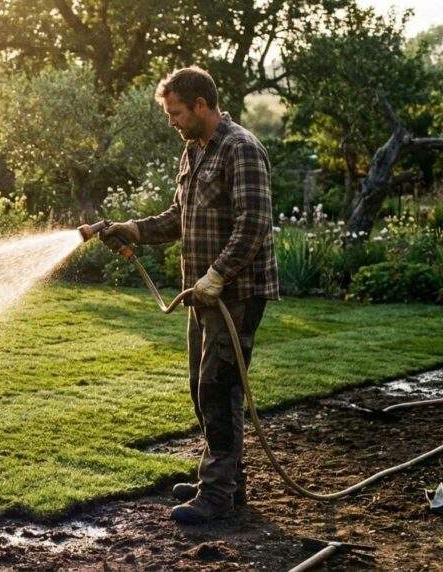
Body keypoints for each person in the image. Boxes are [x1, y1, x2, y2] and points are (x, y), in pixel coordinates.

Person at [100, 66, 279, 524]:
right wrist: (133, 229)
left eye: (176, 112)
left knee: (219, 388)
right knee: (202, 389)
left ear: (201, 105)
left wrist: (217, 275)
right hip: (202, 295)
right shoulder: (194, 150)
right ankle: (227, 481)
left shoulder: (241, 148)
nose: (172, 121)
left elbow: (254, 224)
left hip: (234, 294)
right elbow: (179, 217)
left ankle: (217, 493)